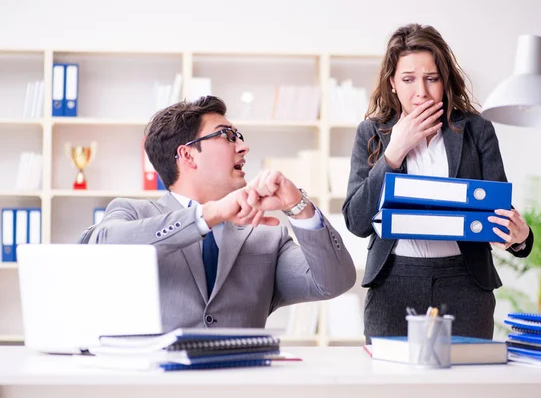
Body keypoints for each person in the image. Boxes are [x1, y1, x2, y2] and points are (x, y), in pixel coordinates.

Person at [82, 95, 356, 332]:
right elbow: (98, 248)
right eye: (226, 135)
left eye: (240, 137)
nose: (243, 146)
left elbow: (334, 282)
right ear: (188, 156)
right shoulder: (133, 213)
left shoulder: (265, 233)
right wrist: (211, 214)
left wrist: (299, 207)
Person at [342, 24, 534, 341]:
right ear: (392, 83)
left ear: (445, 80)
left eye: (432, 78)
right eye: (408, 79)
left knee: (466, 385)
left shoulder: (477, 129)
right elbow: (356, 221)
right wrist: (394, 151)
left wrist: (521, 237)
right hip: (393, 282)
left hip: (465, 283)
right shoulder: (371, 133)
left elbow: (498, 211)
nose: (421, 91)